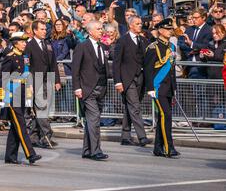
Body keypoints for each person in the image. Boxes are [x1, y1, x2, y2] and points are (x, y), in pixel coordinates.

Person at [0, 32, 42, 165]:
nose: (25, 44)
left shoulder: (24, 57)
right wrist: (2, 98)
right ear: (15, 43)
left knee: (15, 127)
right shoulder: (10, 58)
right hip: (12, 95)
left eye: (25, 42)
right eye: (22, 42)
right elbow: (3, 78)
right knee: (21, 125)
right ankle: (30, 154)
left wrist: (29, 90)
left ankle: (10, 156)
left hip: (21, 94)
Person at [72, 21, 109, 161]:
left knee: (91, 121)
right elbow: (76, 68)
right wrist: (77, 88)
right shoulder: (82, 46)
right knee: (94, 120)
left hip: (101, 88)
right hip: (88, 88)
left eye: (101, 28)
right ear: (90, 31)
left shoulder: (102, 46)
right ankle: (96, 151)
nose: (101, 31)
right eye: (98, 29)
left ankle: (87, 150)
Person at [113, 16, 152, 147]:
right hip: (127, 79)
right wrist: (118, 81)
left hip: (141, 78)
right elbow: (116, 62)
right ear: (130, 26)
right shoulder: (122, 40)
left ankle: (125, 135)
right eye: (137, 23)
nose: (140, 25)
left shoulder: (143, 40)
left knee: (130, 107)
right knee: (135, 107)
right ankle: (142, 137)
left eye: (141, 23)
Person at [144, 18, 179, 158]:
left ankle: (158, 147)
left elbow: (171, 70)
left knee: (163, 118)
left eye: (171, 29)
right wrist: (150, 87)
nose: (170, 31)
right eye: (167, 29)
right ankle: (168, 147)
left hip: (168, 87)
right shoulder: (153, 47)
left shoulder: (172, 47)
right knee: (166, 115)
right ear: (159, 30)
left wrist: (174, 87)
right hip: (158, 87)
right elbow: (147, 69)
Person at [25, 20, 61, 149]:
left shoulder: (48, 44)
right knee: (41, 110)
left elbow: (53, 63)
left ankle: (33, 137)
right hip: (36, 81)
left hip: (47, 80)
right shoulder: (29, 45)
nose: (44, 31)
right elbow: (27, 66)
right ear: (35, 30)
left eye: (45, 29)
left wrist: (56, 80)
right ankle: (47, 136)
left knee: (40, 109)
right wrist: (30, 84)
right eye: (42, 29)